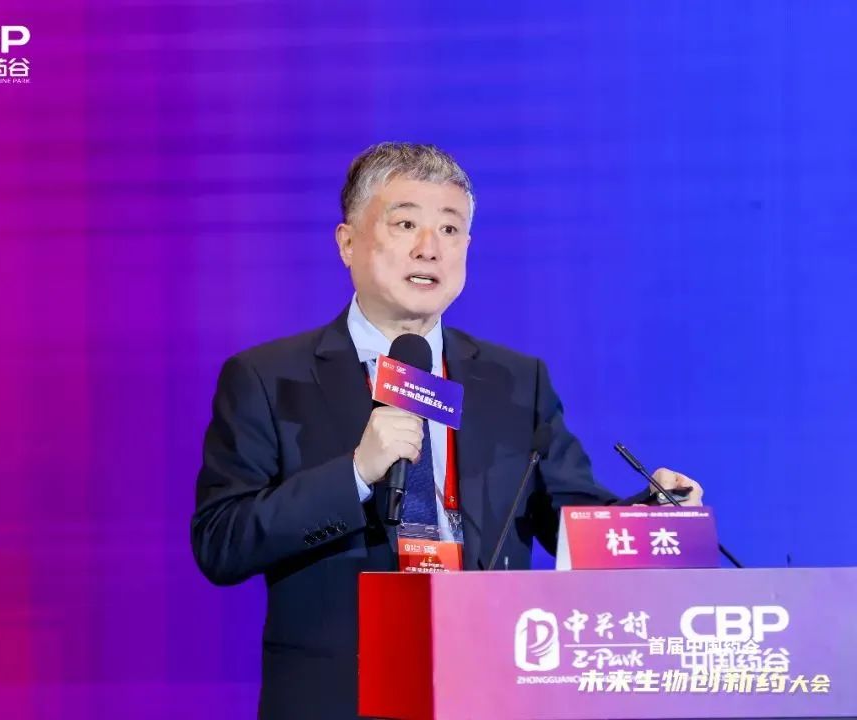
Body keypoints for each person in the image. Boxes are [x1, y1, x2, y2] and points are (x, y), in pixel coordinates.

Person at [191, 142, 703, 719]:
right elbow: (221, 543)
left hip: (490, 690)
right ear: (348, 243)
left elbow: (569, 521)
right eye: (406, 223)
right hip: (342, 696)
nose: (429, 247)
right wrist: (353, 475)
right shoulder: (268, 377)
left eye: (451, 229)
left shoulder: (516, 381)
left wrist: (650, 518)